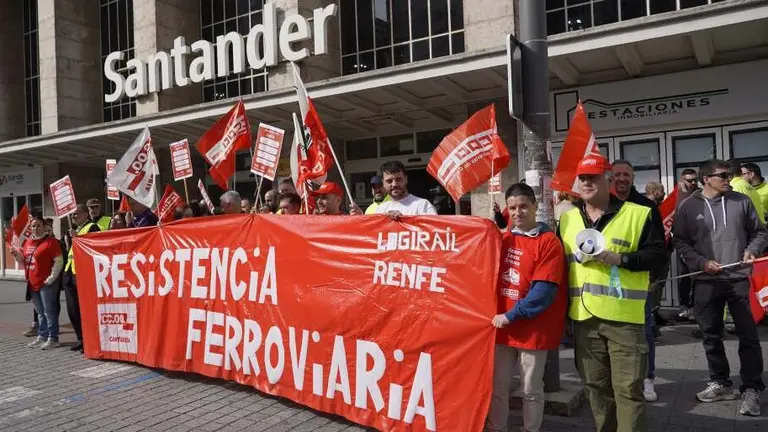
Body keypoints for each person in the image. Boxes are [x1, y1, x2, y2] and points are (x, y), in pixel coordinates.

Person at [560, 155, 666, 432]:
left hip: (624, 320)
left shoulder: (639, 213)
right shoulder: (568, 219)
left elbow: (657, 257)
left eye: (593, 177)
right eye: (582, 177)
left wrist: (621, 259)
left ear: (608, 179)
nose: (586, 182)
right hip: (584, 319)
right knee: (596, 389)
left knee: (629, 390)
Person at [673, 159, 767, 417]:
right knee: (711, 336)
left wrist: (752, 250)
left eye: (729, 174)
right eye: (723, 175)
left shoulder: (741, 201)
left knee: (748, 336)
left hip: (740, 279)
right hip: (706, 282)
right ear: (706, 179)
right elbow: (680, 241)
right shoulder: (688, 207)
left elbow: (760, 232)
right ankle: (721, 383)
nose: (729, 178)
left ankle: (751, 388)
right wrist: (701, 262)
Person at [486, 183, 567, 432]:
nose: (518, 212)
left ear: (535, 205)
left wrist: (511, 315)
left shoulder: (548, 242)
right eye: (512, 207)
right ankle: (496, 427)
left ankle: (530, 429)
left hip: (532, 330)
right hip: (502, 328)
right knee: (498, 386)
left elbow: (544, 292)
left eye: (523, 206)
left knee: (531, 389)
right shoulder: (502, 239)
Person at [611, 160, 667, 403]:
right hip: (606, 286)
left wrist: (652, 277)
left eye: (626, 174)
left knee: (644, 332)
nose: (622, 179)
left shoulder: (646, 206)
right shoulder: (602, 205)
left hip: (639, 282)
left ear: (633, 178)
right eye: (617, 175)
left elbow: (657, 250)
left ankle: (647, 378)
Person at [11, 216, 64, 350]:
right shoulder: (28, 242)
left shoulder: (51, 242)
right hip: (33, 282)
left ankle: (53, 338)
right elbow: (26, 261)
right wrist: (17, 256)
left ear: (45, 227)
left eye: (38, 225)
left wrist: (51, 278)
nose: (35, 228)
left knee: (49, 311)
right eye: (33, 226)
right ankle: (42, 335)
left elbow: (59, 262)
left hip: (46, 283)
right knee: (40, 312)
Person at [63, 204, 101, 353]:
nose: (74, 217)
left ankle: (89, 341)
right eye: (72, 214)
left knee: (83, 309)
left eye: (77, 214)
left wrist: (77, 238)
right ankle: (81, 339)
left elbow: (93, 246)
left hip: (82, 274)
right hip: (70, 272)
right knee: (73, 310)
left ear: (86, 215)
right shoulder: (73, 230)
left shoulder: (92, 227)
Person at [676, 168, 700, 321]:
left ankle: (694, 307)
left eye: (694, 180)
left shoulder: (700, 194)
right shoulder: (676, 195)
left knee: (696, 275)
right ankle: (684, 306)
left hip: (698, 240)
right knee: (683, 274)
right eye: (689, 180)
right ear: (682, 180)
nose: (692, 183)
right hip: (682, 240)